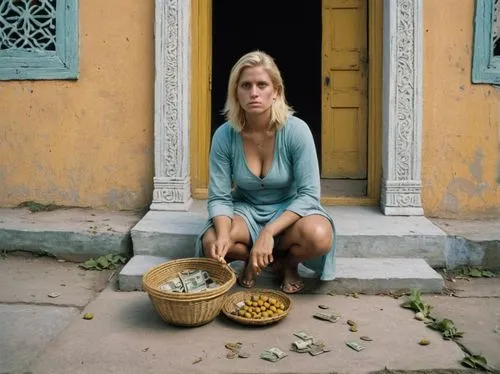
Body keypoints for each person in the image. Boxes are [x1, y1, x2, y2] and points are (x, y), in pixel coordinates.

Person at [195, 50, 336, 294]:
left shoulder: (296, 131)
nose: (254, 93)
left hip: (289, 210)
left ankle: (288, 264)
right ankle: (256, 259)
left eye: (262, 85)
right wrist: (222, 234)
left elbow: (309, 194)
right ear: (235, 93)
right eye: (246, 85)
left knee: (319, 235)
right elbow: (219, 197)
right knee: (212, 242)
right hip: (246, 210)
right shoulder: (224, 135)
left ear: (276, 91)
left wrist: (269, 232)